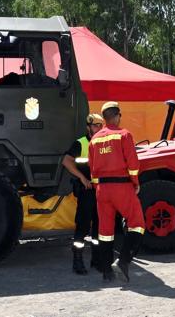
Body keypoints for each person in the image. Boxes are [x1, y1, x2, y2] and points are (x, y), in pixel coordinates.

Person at [88, 101, 145, 282]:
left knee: (105, 231)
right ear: (118, 115)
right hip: (122, 186)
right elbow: (133, 164)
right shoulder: (124, 135)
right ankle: (123, 260)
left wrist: (100, 188)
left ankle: (106, 271)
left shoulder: (95, 139)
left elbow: (92, 168)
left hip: (102, 189)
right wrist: (135, 182)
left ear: (104, 119)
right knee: (137, 223)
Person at [62, 113, 104, 275]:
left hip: (101, 191)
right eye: (95, 126)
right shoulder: (81, 143)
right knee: (83, 226)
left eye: (100, 126)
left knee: (99, 228)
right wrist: (82, 178)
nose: (98, 129)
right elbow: (66, 161)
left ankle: (96, 259)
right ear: (88, 127)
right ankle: (77, 261)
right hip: (87, 191)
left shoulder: (103, 143)